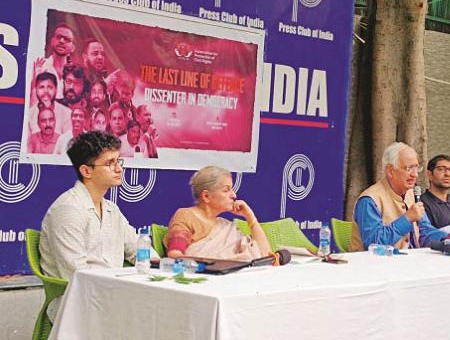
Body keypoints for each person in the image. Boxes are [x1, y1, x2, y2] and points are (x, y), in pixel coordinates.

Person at [39, 131, 147, 319]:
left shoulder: (112, 209)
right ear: (86, 171)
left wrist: (156, 268)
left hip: (113, 293)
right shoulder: (68, 209)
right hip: (77, 304)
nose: (119, 169)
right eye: (109, 163)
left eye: (118, 161)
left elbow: (138, 249)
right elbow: (76, 275)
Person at [350, 142, 446, 251]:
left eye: (416, 168)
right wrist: (407, 219)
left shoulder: (411, 194)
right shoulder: (369, 200)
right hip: (377, 265)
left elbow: (425, 231)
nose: (415, 174)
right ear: (390, 171)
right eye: (409, 168)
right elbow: (373, 244)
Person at [164, 166, 271, 260]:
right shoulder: (186, 216)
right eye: (226, 190)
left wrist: (250, 217)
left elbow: (265, 256)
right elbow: (175, 256)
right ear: (206, 196)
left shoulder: (225, 225)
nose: (234, 195)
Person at [33, 23, 76, 99]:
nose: (61, 41)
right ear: (52, 41)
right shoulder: (39, 67)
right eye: (58, 37)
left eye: (67, 39)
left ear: (72, 48)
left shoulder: (76, 73)